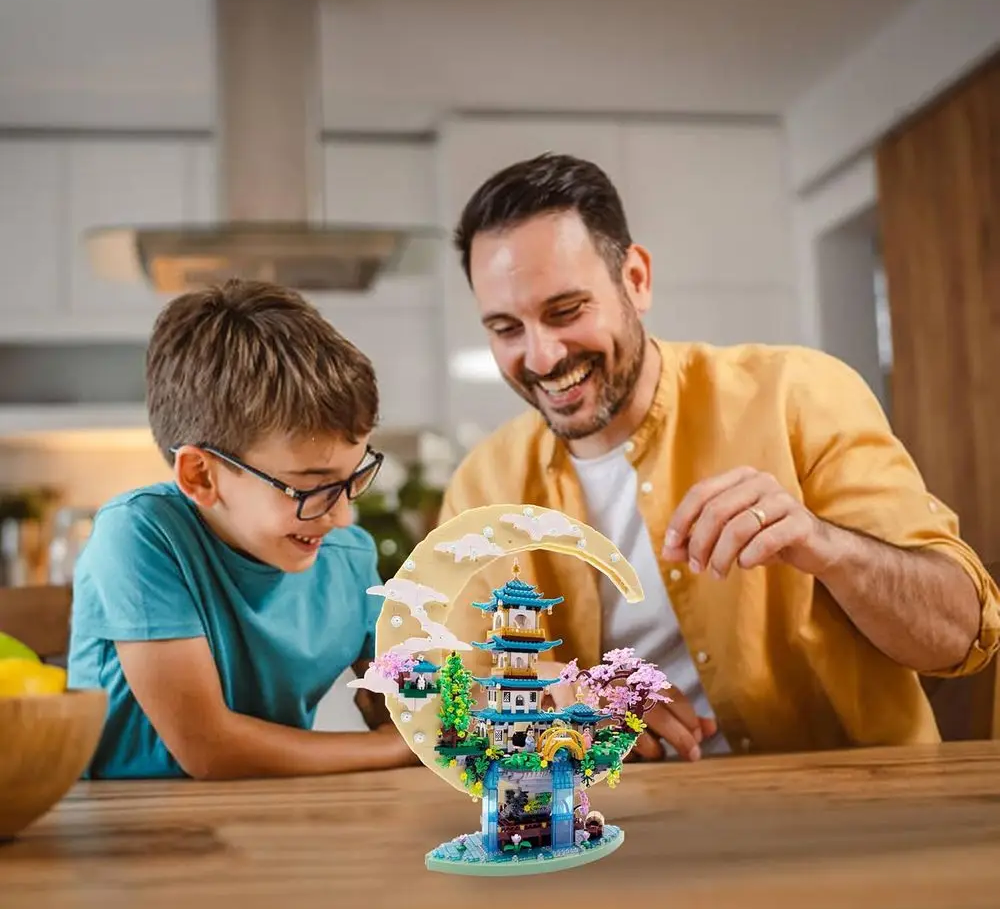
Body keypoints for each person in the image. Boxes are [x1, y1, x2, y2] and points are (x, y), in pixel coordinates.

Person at [438, 152, 1000, 762]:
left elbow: (961, 635)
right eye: (505, 328)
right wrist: (554, 700)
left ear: (637, 279)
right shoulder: (482, 486)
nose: (542, 357)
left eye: (566, 312)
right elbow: (445, 709)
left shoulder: (798, 396)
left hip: (847, 821)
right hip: (622, 832)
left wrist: (825, 545)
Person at [67, 280, 415, 779]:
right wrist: (397, 750)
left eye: (354, 476)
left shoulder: (348, 557)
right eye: (310, 488)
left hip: (281, 820)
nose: (342, 517)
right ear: (201, 476)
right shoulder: (139, 533)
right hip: (128, 831)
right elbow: (210, 749)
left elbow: (415, 716)